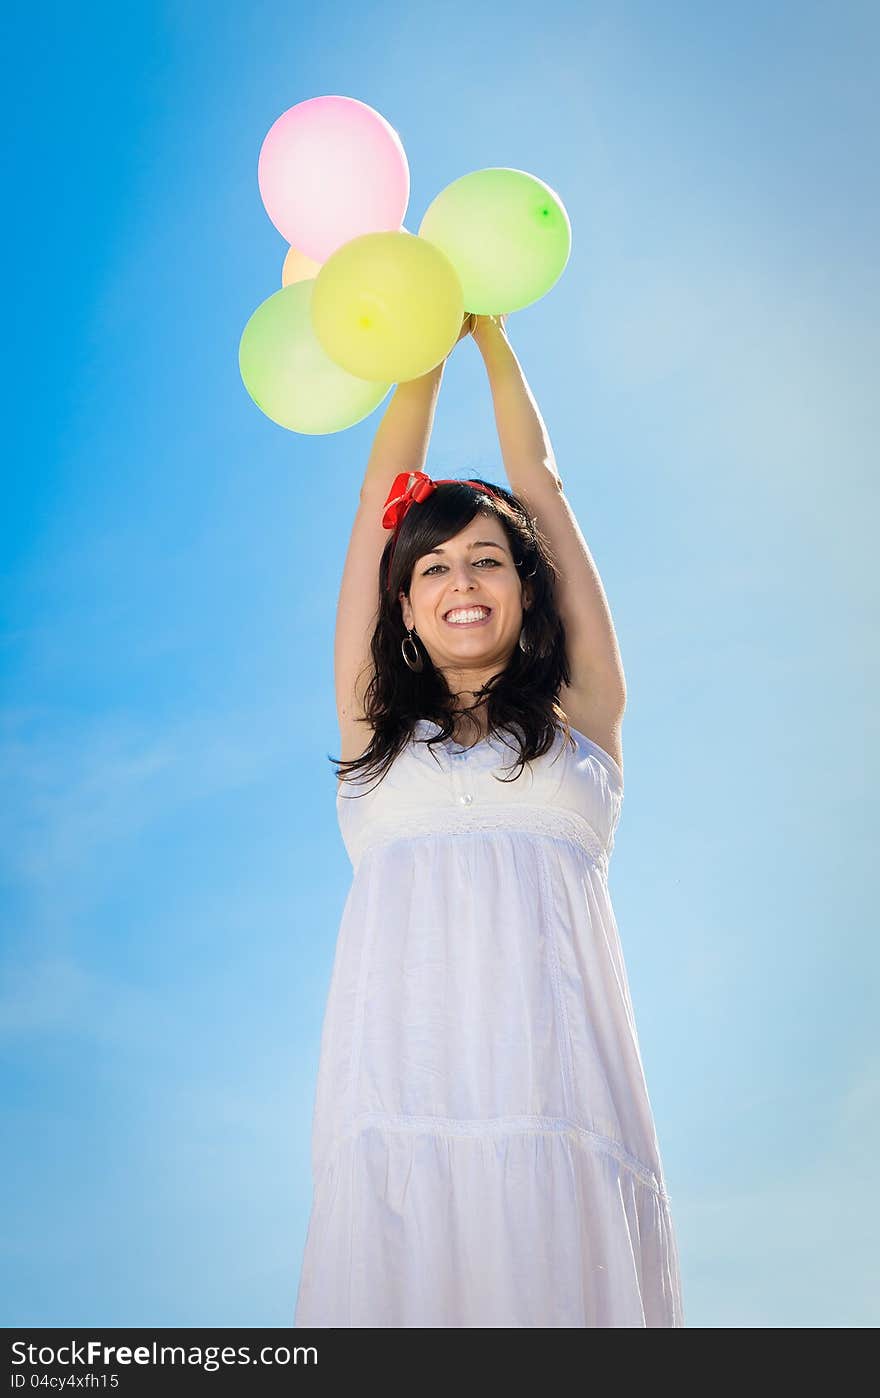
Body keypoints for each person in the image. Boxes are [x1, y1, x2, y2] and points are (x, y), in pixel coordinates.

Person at [293, 312, 685, 1327]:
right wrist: (418, 344)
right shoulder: (372, 724)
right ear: (406, 611)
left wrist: (493, 342)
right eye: (432, 569)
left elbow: (544, 494)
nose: (459, 582)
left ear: (524, 586)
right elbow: (375, 514)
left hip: (561, 1102)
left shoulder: (584, 716)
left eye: (485, 560)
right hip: (399, 1100)